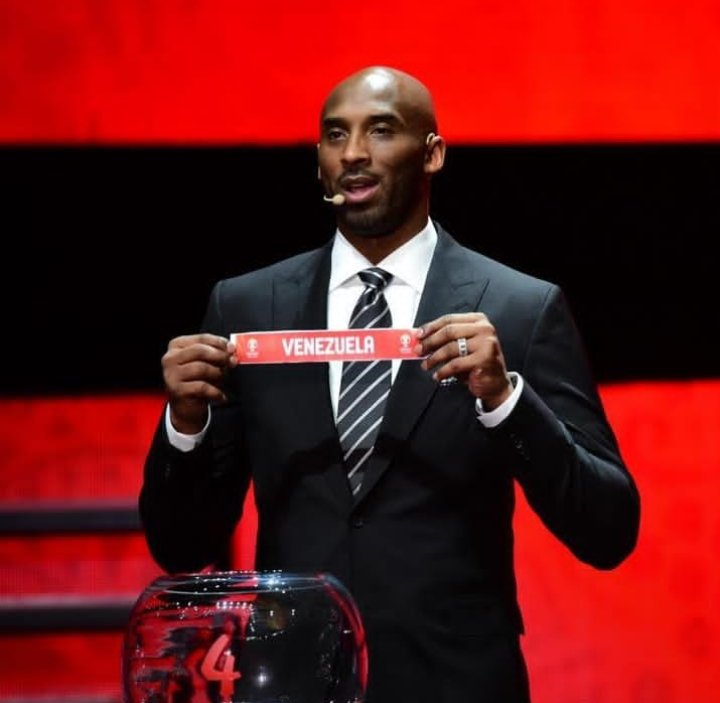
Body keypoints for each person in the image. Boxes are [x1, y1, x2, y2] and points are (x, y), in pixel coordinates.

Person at [139, 65, 640, 703]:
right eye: (335, 135)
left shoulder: (518, 309)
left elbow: (607, 530)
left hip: (456, 682)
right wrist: (185, 426)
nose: (353, 153)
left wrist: (506, 400)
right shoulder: (247, 306)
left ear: (432, 153)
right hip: (293, 682)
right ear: (319, 162)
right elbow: (180, 545)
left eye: (380, 130)